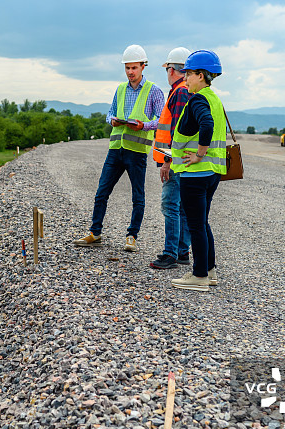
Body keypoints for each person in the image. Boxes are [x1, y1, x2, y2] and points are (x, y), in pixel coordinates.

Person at [73, 44, 165, 252]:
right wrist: (112, 121)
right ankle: (95, 232)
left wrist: (144, 125)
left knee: (137, 196)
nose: (130, 72)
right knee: (101, 192)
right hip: (116, 150)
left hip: (137, 152)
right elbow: (110, 112)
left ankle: (132, 236)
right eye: (127, 68)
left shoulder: (154, 91)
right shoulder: (120, 89)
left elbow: (161, 120)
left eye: (134, 68)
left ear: (143, 66)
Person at [159, 50, 226, 291]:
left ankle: (199, 277)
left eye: (188, 73)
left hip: (195, 173)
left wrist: (199, 154)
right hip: (212, 172)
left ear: (201, 75)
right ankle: (209, 271)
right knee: (202, 223)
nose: (185, 78)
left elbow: (206, 125)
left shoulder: (198, 99)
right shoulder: (213, 98)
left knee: (196, 225)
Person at [150, 47, 192, 270]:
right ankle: (183, 251)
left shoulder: (180, 92)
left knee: (171, 205)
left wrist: (167, 161)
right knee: (182, 206)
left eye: (167, 68)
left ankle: (170, 253)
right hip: (182, 159)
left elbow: (177, 130)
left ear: (173, 69)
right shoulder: (185, 90)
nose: (166, 72)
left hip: (174, 160)